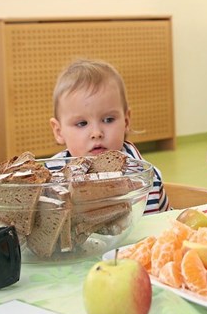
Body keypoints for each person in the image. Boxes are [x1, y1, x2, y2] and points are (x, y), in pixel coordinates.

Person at [50, 59, 169, 214]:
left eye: (108, 120)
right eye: (82, 123)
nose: (96, 133)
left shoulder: (144, 176)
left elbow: (158, 228)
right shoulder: (49, 178)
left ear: (126, 121)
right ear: (59, 132)